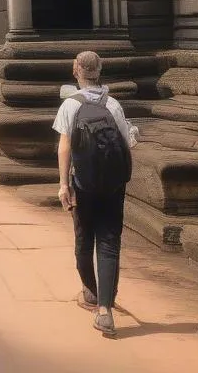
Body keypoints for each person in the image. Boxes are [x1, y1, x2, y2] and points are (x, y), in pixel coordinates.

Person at [53, 50, 136, 339]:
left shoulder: (70, 105)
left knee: (84, 239)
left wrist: (64, 184)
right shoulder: (113, 105)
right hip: (113, 185)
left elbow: (64, 147)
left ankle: (90, 290)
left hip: (83, 184)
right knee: (110, 243)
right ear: (99, 70)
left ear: (76, 70)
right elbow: (127, 143)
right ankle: (105, 310)